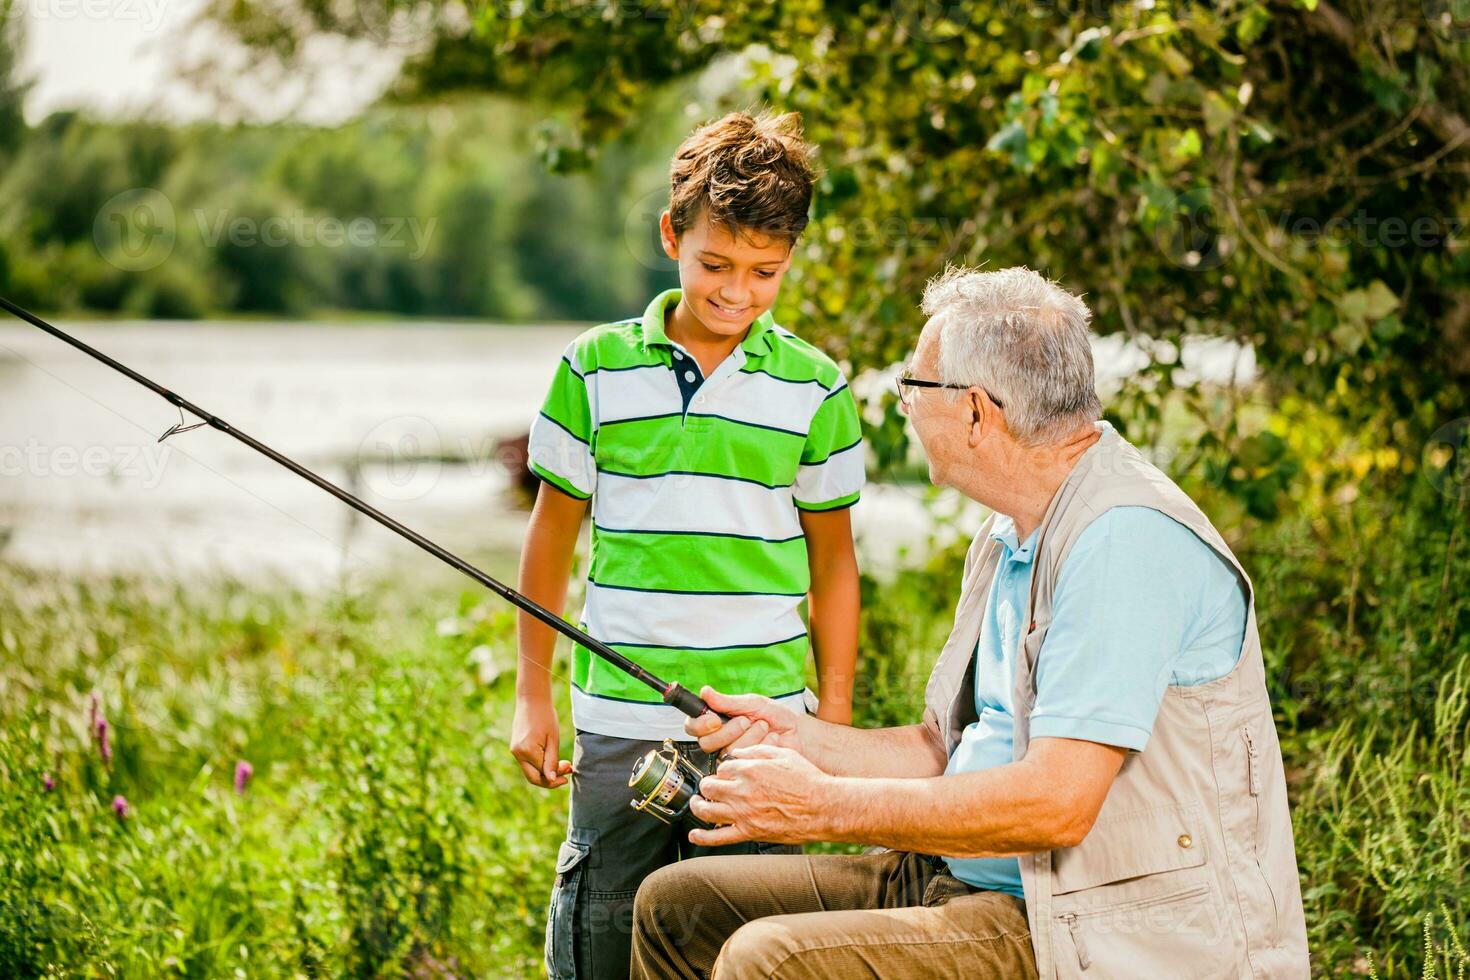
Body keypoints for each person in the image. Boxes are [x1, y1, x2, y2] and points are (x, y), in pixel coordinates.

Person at [630, 266, 1310, 979]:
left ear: (977, 412)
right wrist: (796, 736)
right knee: (679, 909)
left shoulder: (1123, 541)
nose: (902, 405)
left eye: (913, 387)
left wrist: (822, 807)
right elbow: (940, 748)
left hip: (1089, 930)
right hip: (973, 878)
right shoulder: (1008, 532)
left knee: (766, 962)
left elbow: (1055, 805)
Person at [513, 109, 866, 980]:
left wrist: (836, 723)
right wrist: (533, 696)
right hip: (620, 730)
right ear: (673, 235)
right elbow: (552, 537)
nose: (735, 291)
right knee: (601, 931)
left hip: (763, 733)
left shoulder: (817, 389)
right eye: (715, 264)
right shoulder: (594, 368)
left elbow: (835, 563)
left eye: (764, 272)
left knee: (749, 945)